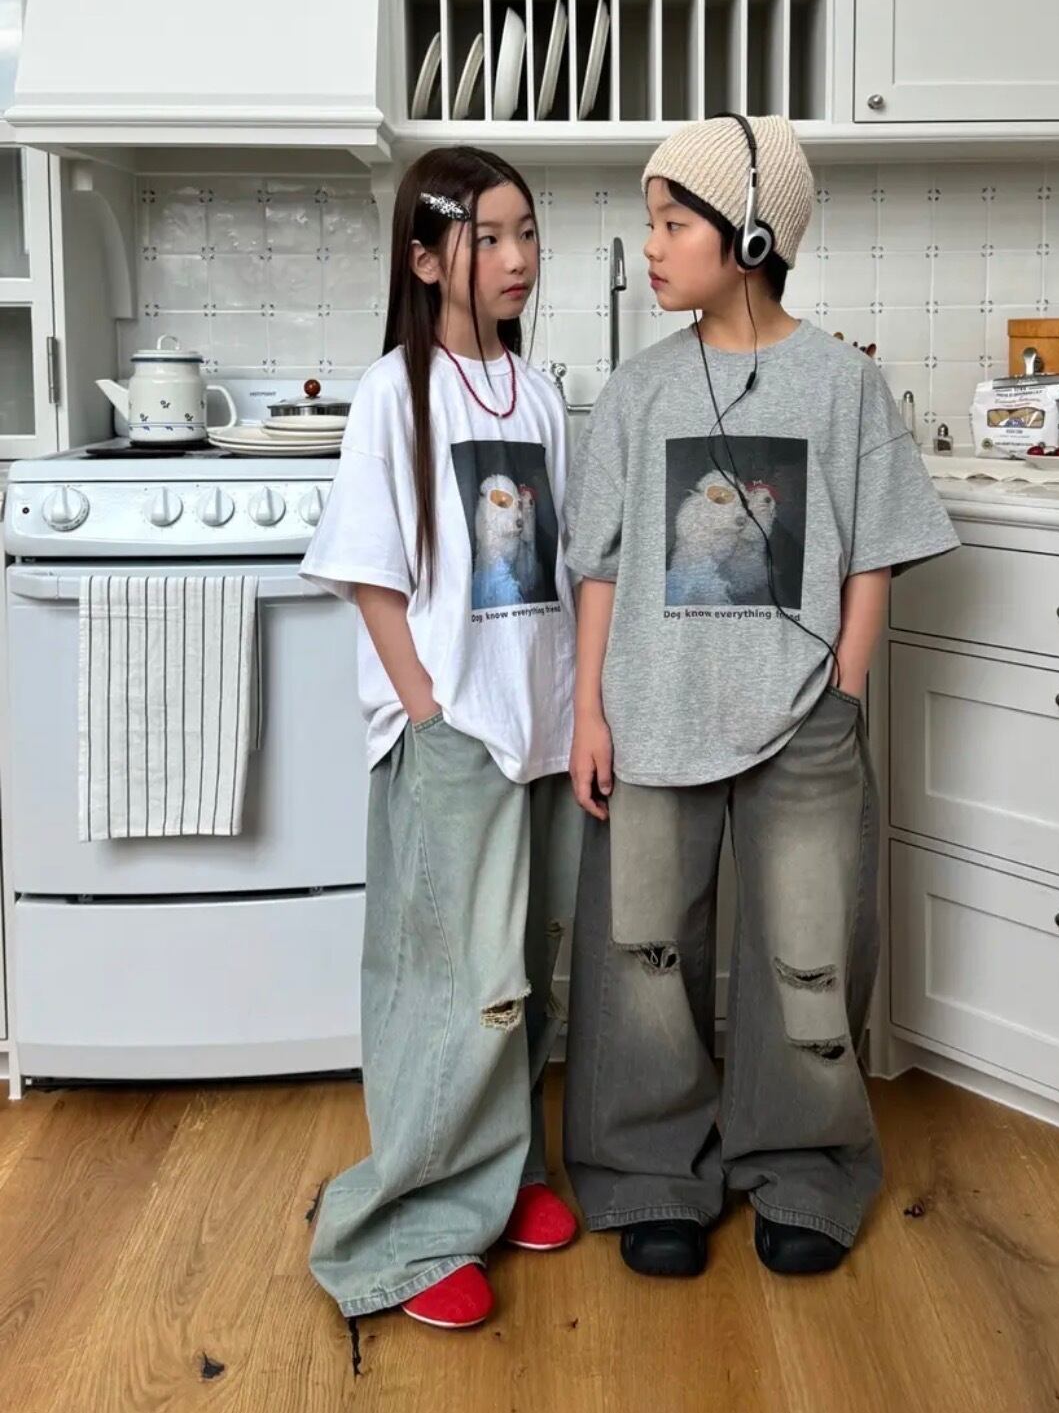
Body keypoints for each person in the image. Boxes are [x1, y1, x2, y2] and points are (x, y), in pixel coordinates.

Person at [562, 113, 960, 1280]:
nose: (651, 246)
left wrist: (846, 683)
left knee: (810, 951)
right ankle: (651, 1172)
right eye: (648, 224)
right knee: (642, 952)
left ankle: (807, 1169)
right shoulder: (638, 393)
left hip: (804, 719)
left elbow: (875, 549)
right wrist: (589, 711)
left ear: (749, 237)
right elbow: (598, 565)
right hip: (652, 710)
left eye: (671, 223)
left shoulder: (843, 386)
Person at [301, 146, 582, 1330]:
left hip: (539, 728)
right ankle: (411, 1232)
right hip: (456, 728)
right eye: (490, 238)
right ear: (426, 261)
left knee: (520, 973)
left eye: (528, 232)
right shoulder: (393, 392)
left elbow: (553, 571)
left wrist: (575, 710)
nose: (519, 258)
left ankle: (501, 1172)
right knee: (447, 984)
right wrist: (425, 705)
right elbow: (370, 572)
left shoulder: (539, 390)